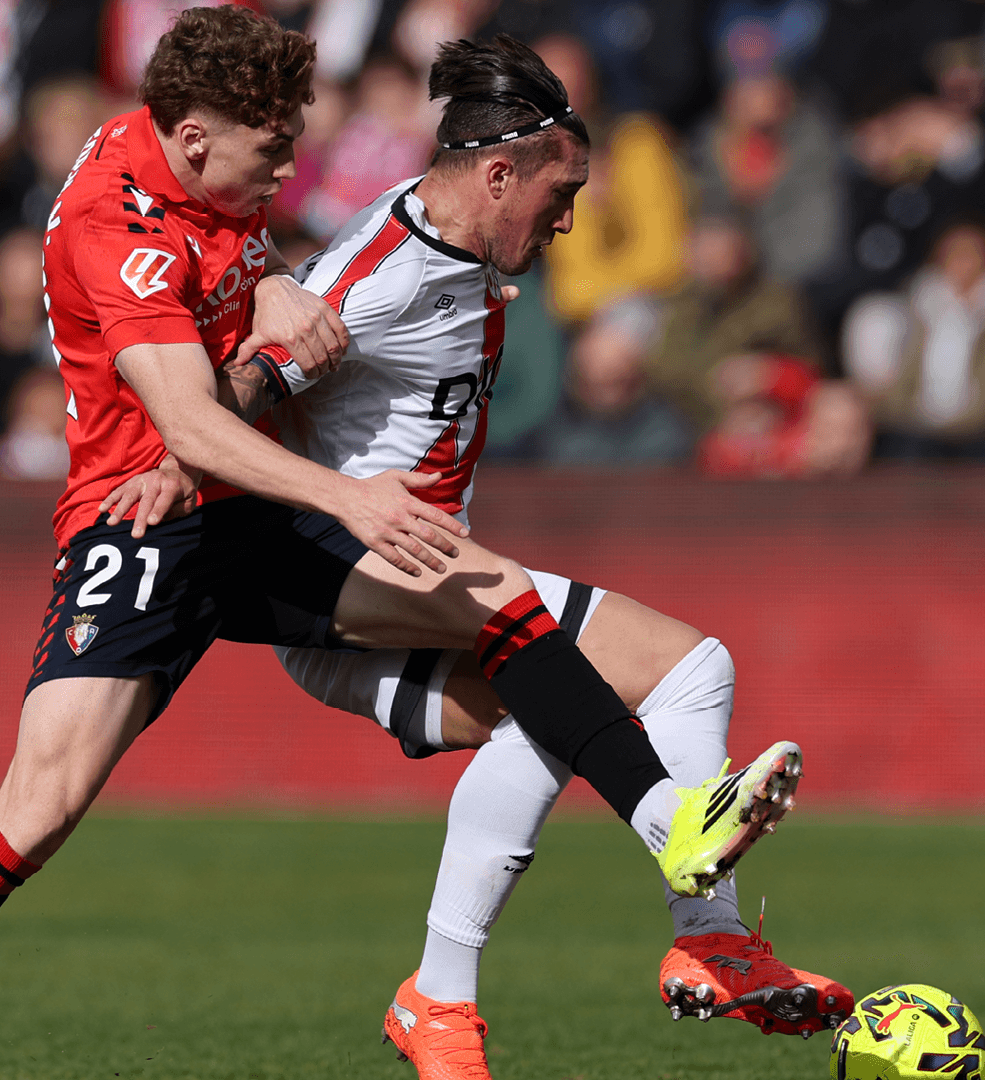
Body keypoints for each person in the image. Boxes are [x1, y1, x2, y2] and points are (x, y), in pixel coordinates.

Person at [0, 11, 757, 1080]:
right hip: (144, 519)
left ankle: (665, 830)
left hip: (254, 512)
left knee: (491, 590)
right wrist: (350, 499)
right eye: (273, 150)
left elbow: (230, 234)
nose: (288, 170)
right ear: (197, 139)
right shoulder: (116, 230)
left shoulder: (171, 142)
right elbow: (191, 430)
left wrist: (273, 269)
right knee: (35, 814)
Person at [98, 36, 854, 1080]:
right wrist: (172, 463)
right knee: (688, 669)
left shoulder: (460, 245)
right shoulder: (383, 274)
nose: (568, 221)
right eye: (559, 194)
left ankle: (450, 1001)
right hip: (355, 583)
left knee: (555, 718)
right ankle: (700, 923)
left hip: (409, 593)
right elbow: (245, 385)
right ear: (497, 175)